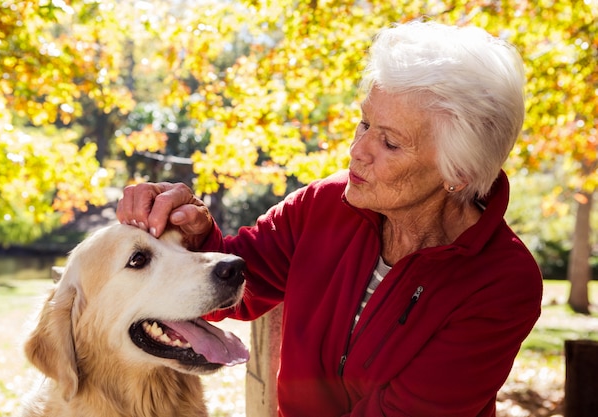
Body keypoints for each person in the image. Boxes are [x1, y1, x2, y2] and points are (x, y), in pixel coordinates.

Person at [116, 20, 542, 417]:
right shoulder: (325, 203)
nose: (358, 149)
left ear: (458, 173)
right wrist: (193, 236)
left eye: (390, 142)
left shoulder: (503, 282)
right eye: (365, 123)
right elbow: (240, 288)